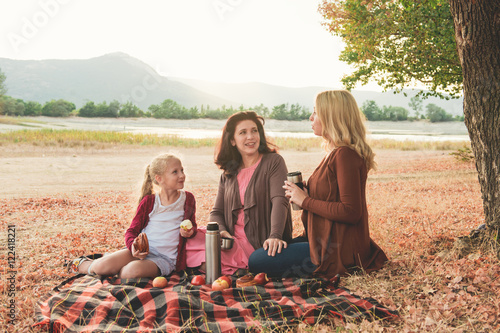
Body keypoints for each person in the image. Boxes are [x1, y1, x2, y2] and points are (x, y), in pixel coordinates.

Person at [253, 90, 388, 279]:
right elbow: (333, 194)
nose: (311, 117)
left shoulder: (344, 155)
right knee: (270, 249)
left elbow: (351, 211)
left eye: (315, 112)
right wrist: (307, 193)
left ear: (331, 117)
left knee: (257, 260)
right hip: (323, 240)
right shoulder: (336, 153)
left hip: (338, 251)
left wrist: (306, 200)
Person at [186, 111, 294, 275]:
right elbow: (217, 212)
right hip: (231, 241)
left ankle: (231, 267)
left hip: (259, 242)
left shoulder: (273, 162)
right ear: (232, 140)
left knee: (205, 261)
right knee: (189, 240)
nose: (250, 137)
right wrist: (222, 233)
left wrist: (275, 236)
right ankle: (229, 267)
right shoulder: (228, 173)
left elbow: (280, 201)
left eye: (254, 131)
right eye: (243, 133)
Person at [67, 153, 197, 278]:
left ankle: (115, 266)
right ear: (159, 179)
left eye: (182, 170)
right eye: (175, 172)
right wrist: (134, 248)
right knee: (102, 267)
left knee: (130, 272)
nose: (182, 175)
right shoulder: (150, 202)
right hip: (141, 251)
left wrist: (189, 232)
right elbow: (131, 232)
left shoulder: (187, 199)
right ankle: (82, 265)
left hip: (164, 258)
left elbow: (193, 226)